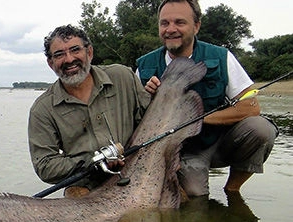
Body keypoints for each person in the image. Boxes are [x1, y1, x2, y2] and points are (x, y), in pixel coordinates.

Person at [136, 0, 278, 196]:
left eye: (179, 22)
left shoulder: (221, 56)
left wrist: (199, 119)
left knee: (262, 129)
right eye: (164, 23)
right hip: (182, 152)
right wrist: (148, 97)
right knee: (194, 197)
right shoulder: (144, 65)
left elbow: (251, 107)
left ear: (196, 26)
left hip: (220, 142)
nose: (171, 29)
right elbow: (133, 122)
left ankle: (233, 189)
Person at [28, 25, 151, 198]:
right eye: (59, 55)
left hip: (137, 168)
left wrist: (158, 93)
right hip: (85, 182)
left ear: (89, 52)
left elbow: (151, 121)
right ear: (50, 63)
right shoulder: (42, 109)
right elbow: (45, 165)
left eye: (75, 50)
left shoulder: (123, 76)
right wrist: (91, 162)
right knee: (74, 197)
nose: (69, 59)